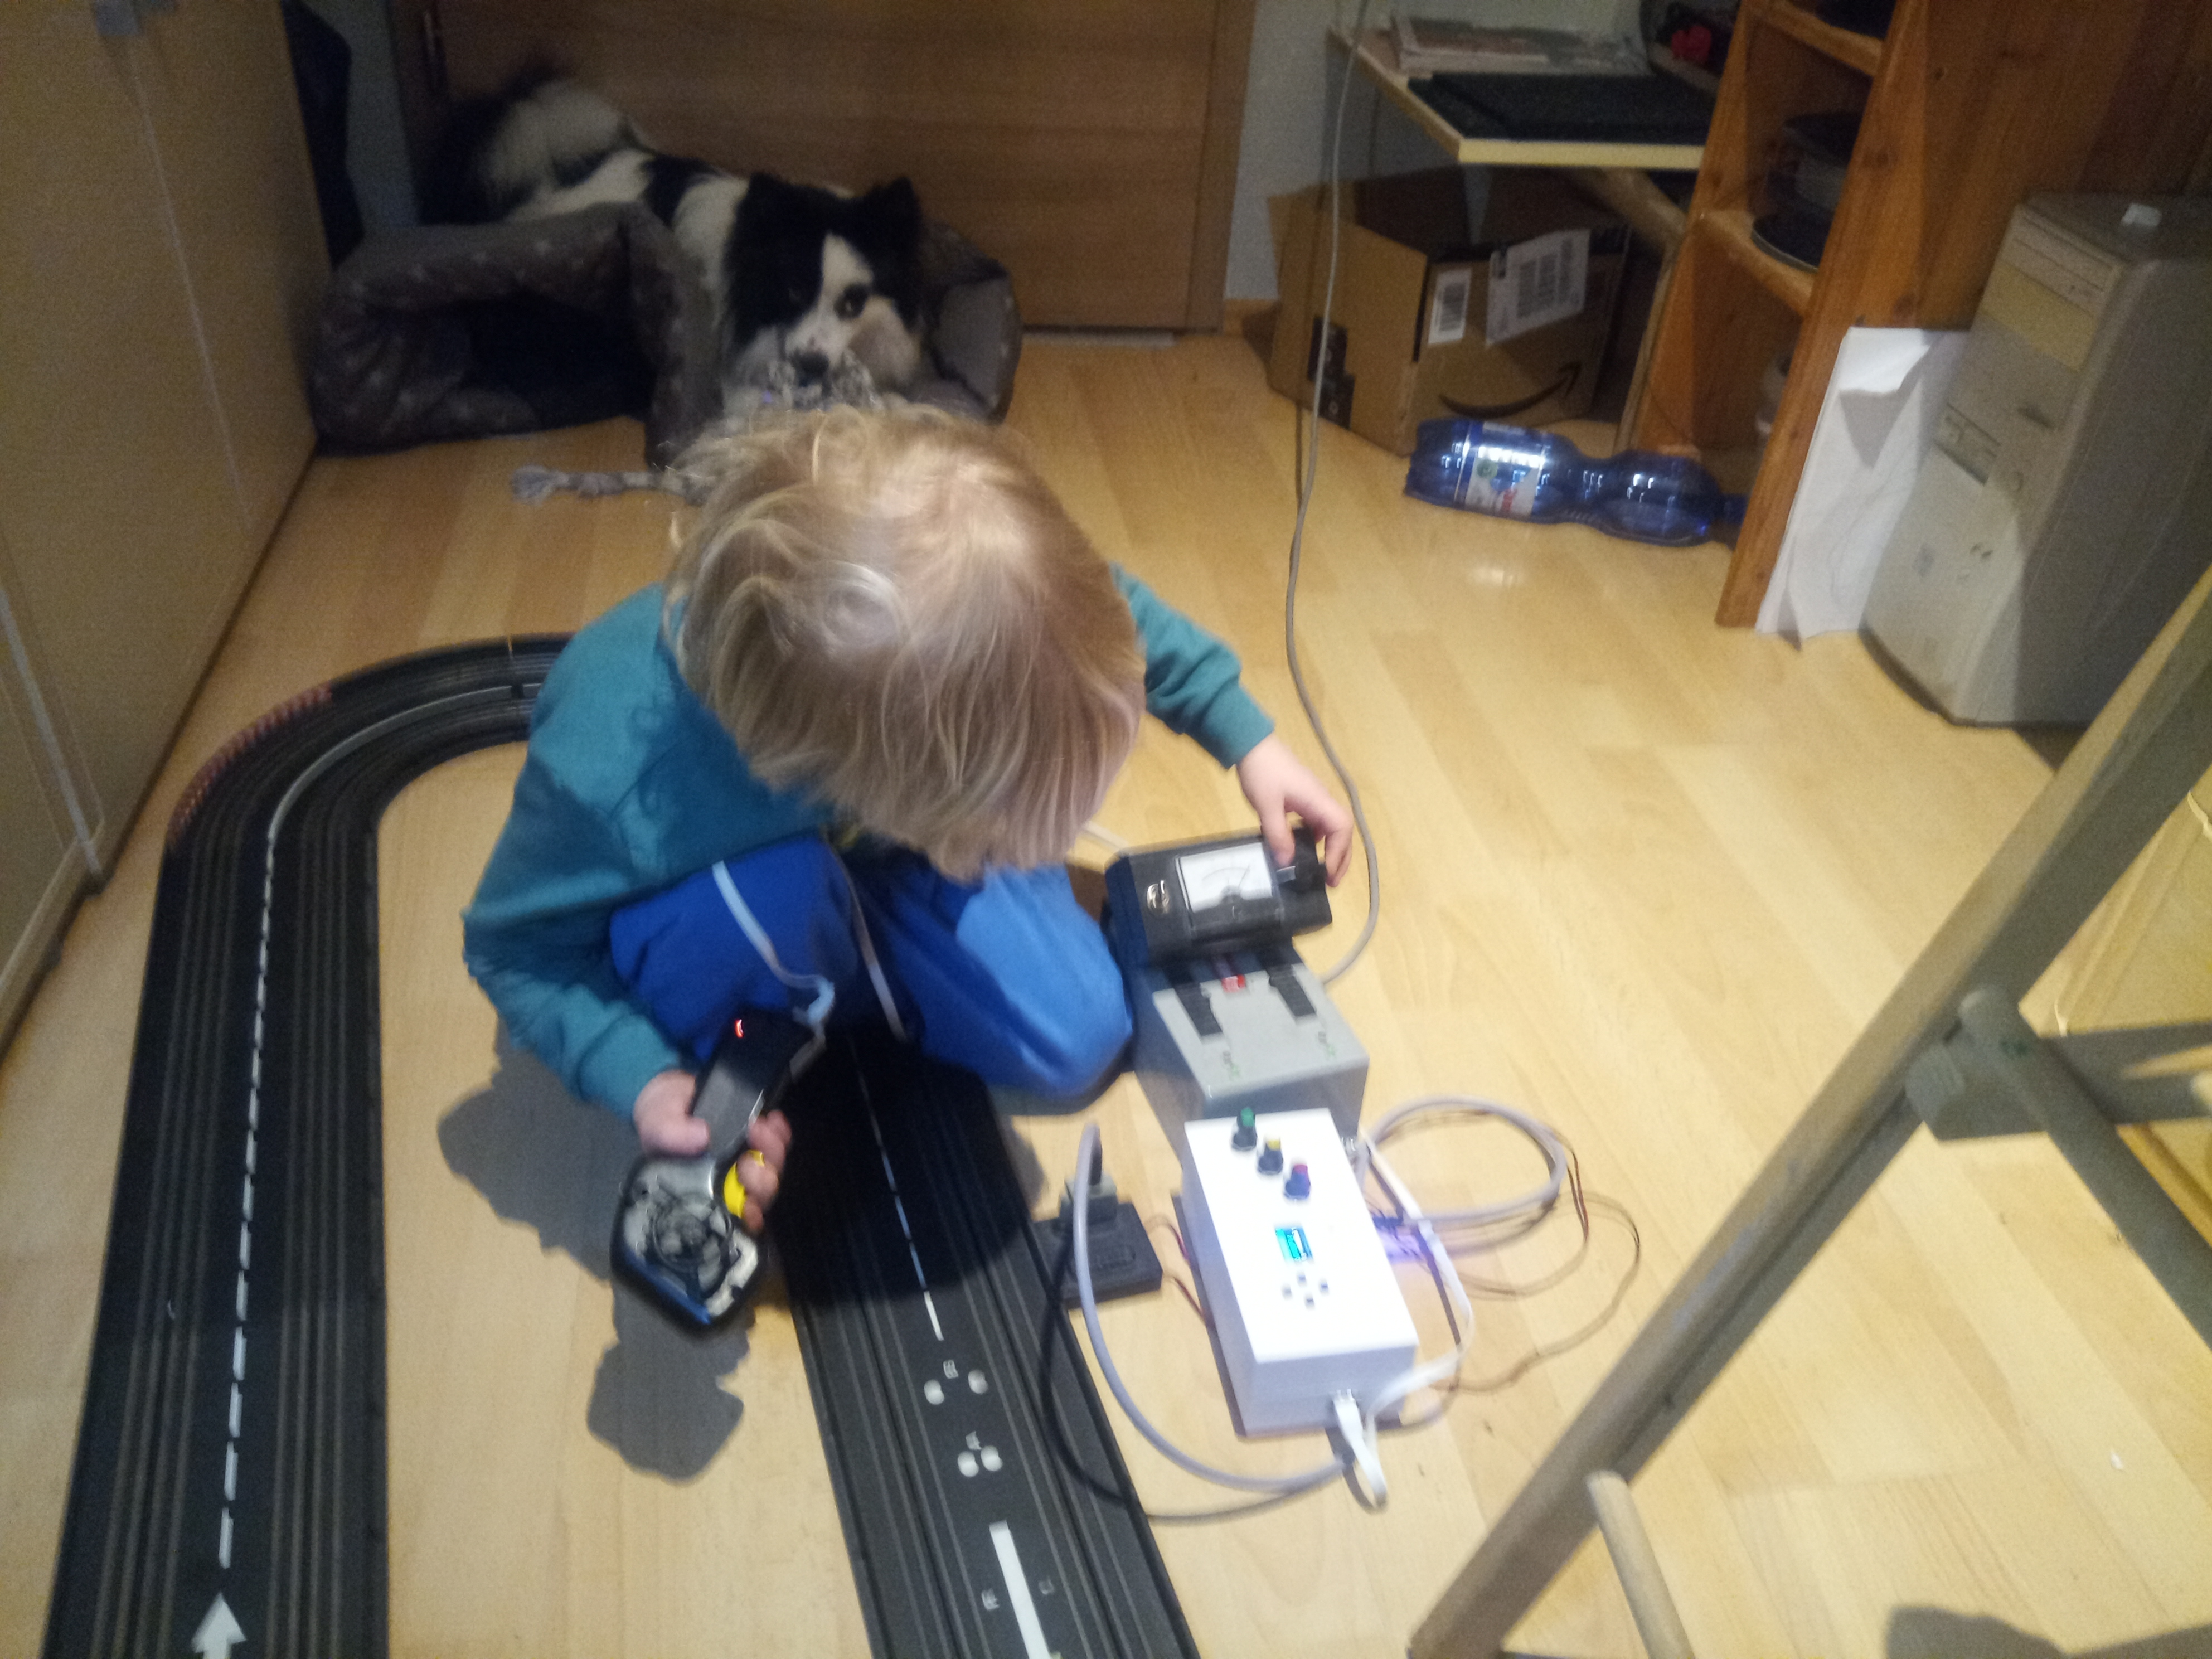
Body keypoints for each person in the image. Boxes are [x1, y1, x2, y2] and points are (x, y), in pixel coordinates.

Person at [463, 405, 1351, 1230]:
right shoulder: (611, 774)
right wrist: (643, 1077)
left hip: (878, 853)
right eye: (996, 839)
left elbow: (1098, 613)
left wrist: (1246, 737)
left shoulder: (973, 606)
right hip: (737, 889)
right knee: (768, 900)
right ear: (873, 780)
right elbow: (516, 952)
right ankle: (782, 1001)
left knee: (1082, 1037)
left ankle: (852, 966)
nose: (1031, 852)